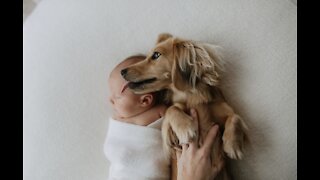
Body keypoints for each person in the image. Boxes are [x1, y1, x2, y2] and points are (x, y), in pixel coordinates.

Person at [104, 55, 170, 180]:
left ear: (145, 100)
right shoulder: (119, 123)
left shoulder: (159, 112)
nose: (110, 100)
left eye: (117, 97)